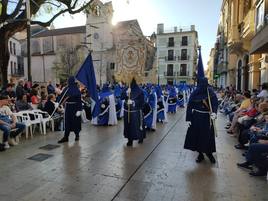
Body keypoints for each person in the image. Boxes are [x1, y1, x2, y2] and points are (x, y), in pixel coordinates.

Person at [184, 48, 218, 163]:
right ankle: (200, 154)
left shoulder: (210, 92)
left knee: (207, 136)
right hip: (196, 117)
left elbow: (214, 103)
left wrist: (214, 113)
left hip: (207, 117)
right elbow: (190, 105)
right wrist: (188, 118)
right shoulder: (195, 92)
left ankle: (209, 153)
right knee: (197, 136)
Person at [58, 76, 82, 143]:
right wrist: (58, 102)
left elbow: (79, 100)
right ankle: (66, 137)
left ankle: (77, 135)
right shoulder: (66, 88)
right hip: (68, 107)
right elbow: (62, 96)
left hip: (75, 107)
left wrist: (79, 109)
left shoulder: (76, 89)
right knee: (67, 122)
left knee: (75, 121)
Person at [123, 78, 145, 146]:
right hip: (127, 111)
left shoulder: (139, 90)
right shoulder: (127, 88)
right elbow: (121, 97)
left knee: (136, 126)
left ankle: (140, 137)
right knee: (128, 126)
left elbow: (142, 102)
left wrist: (134, 102)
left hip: (135, 112)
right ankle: (130, 140)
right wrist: (126, 93)